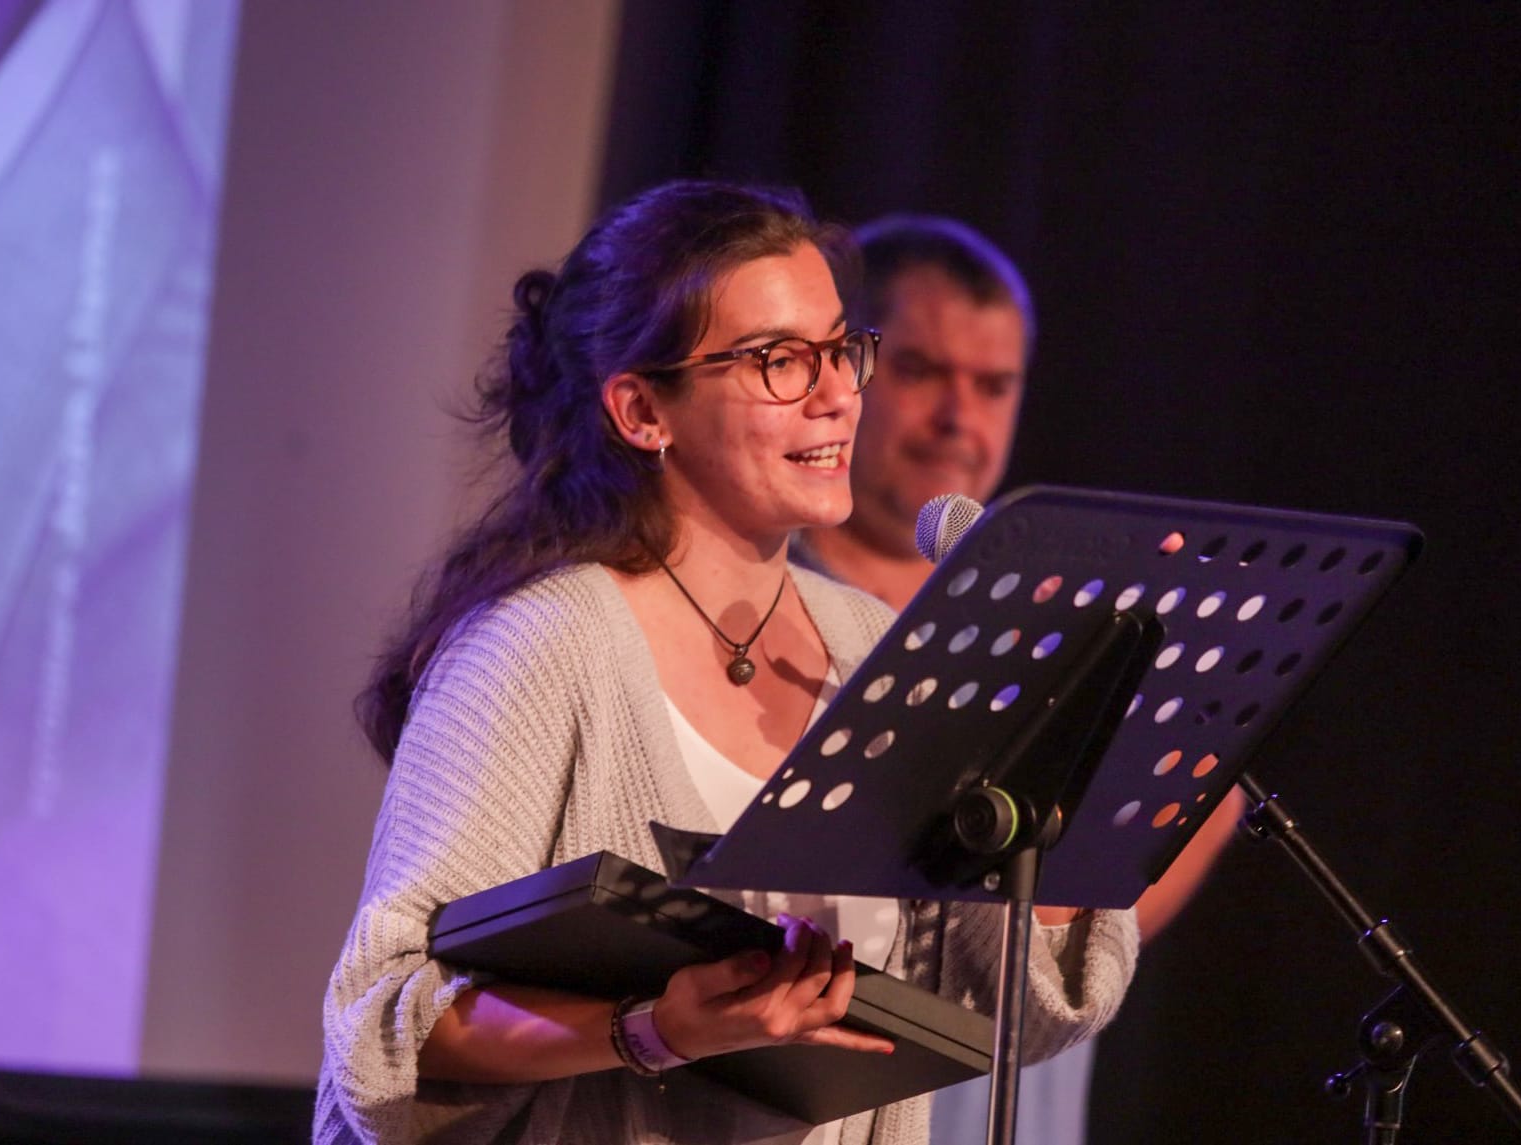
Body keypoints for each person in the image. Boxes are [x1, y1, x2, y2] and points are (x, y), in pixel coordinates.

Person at [314, 181, 1138, 1145]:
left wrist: (1081, 742)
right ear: (640, 409)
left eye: (840, 349)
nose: (838, 394)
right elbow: (381, 1026)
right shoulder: (544, 646)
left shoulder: (878, 649)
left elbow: (1024, 1016)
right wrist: (652, 1029)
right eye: (778, 360)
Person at [797, 215, 1247, 1144]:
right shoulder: (772, 589)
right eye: (923, 372)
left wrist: (1057, 934)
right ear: (848, 368)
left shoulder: (1055, 608)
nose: (960, 416)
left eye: (994, 385)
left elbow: (1218, 790)